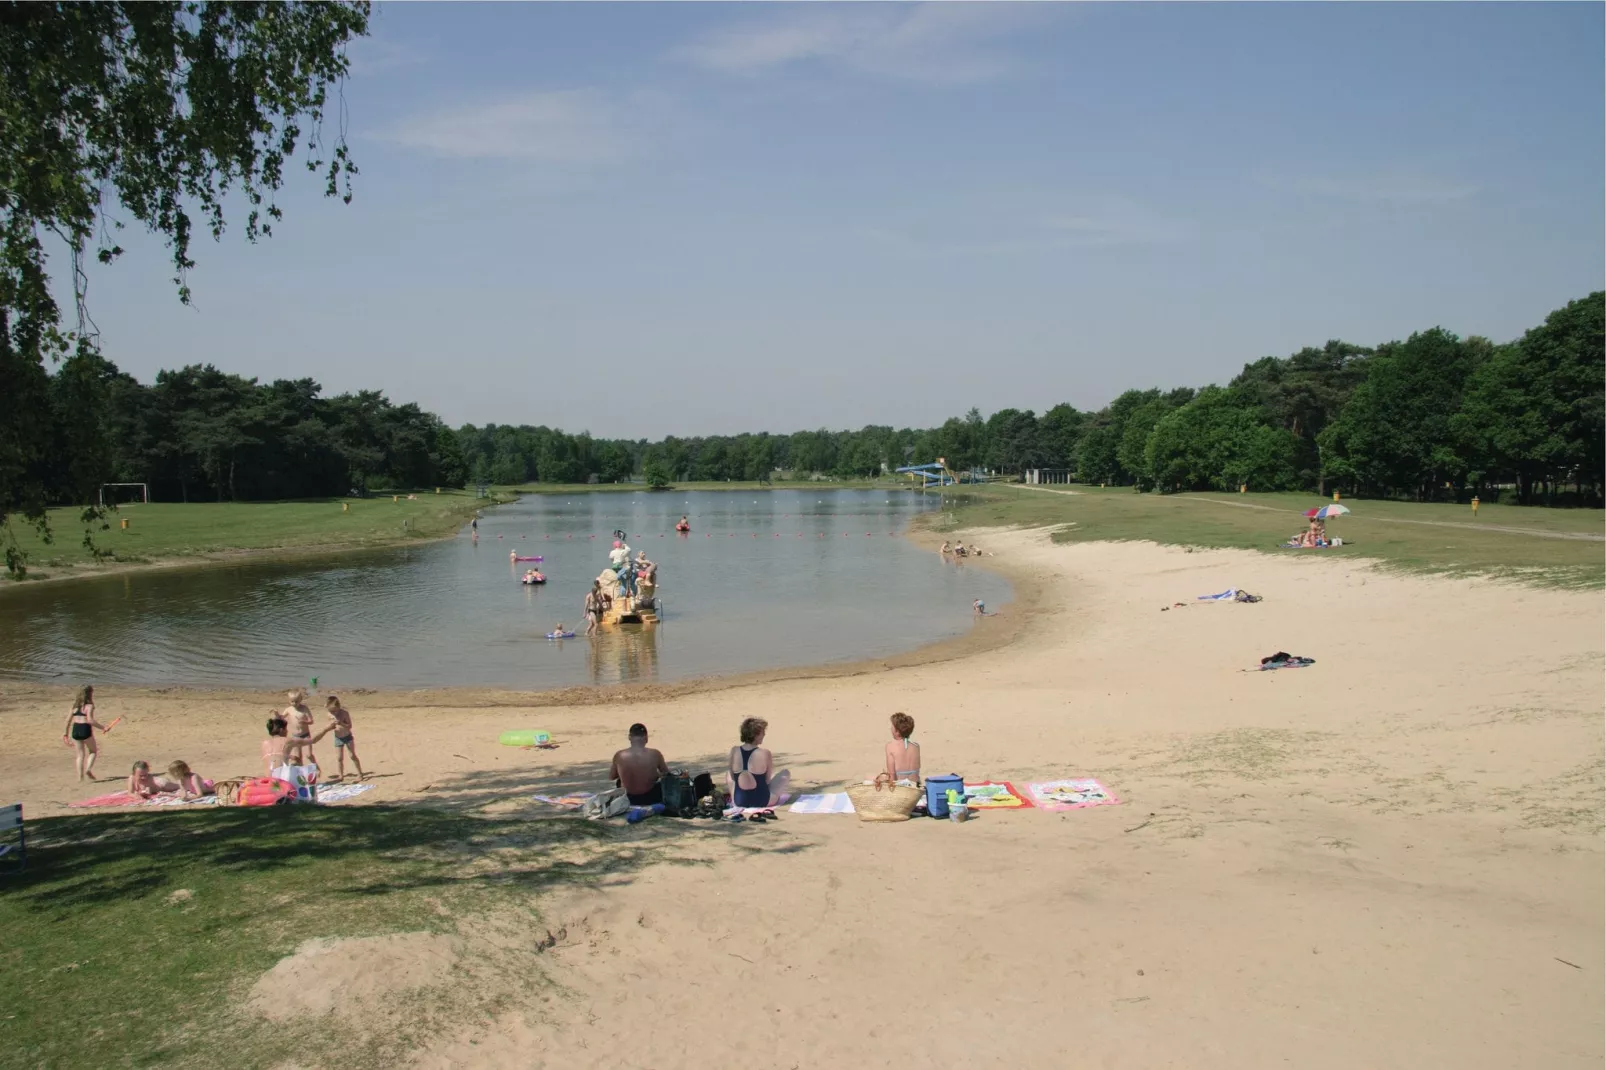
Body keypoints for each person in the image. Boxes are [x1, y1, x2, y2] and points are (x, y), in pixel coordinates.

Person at [729, 717, 790, 809]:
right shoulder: (765, 753)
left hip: (739, 801)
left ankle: (737, 798)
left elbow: (733, 778)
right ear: (755, 735)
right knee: (785, 773)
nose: (764, 734)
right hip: (763, 801)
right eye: (762, 732)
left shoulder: (734, 750)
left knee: (728, 775)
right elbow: (767, 780)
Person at [610, 723, 671, 805]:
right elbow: (667, 775)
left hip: (628, 798)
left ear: (629, 737)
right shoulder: (655, 754)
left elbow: (612, 776)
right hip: (650, 798)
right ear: (646, 738)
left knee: (619, 781)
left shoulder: (620, 755)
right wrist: (655, 774)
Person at [309, 695, 366, 780]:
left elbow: (349, 726)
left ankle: (360, 773)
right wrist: (330, 726)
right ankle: (341, 775)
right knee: (339, 758)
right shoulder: (329, 714)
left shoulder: (344, 713)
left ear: (338, 707)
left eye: (335, 711)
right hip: (338, 737)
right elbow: (329, 723)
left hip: (347, 736)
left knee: (352, 755)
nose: (333, 713)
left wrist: (341, 723)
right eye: (331, 711)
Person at [62, 684, 108, 781]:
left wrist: (65, 734)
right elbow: (90, 720)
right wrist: (103, 727)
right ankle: (88, 769)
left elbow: (67, 721)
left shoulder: (74, 706)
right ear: (89, 694)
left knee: (80, 755)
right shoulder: (89, 706)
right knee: (93, 751)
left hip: (76, 729)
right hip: (85, 728)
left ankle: (80, 777)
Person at [282, 688, 318, 767]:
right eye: (292, 701)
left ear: (300, 700)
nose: (294, 703)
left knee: (309, 755)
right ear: (289, 701)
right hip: (295, 736)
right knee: (298, 757)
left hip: (305, 735)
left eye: (296, 701)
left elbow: (311, 721)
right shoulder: (288, 709)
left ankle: (316, 767)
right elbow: (281, 717)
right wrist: (276, 714)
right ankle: (301, 773)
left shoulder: (304, 709)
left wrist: (305, 722)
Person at [884, 712, 921, 784]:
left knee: (870, 777)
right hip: (915, 786)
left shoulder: (890, 746)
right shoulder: (916, 746)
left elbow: (892, 775)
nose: (890, 728)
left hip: (901, 788)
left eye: (892, 726)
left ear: (897, 731)